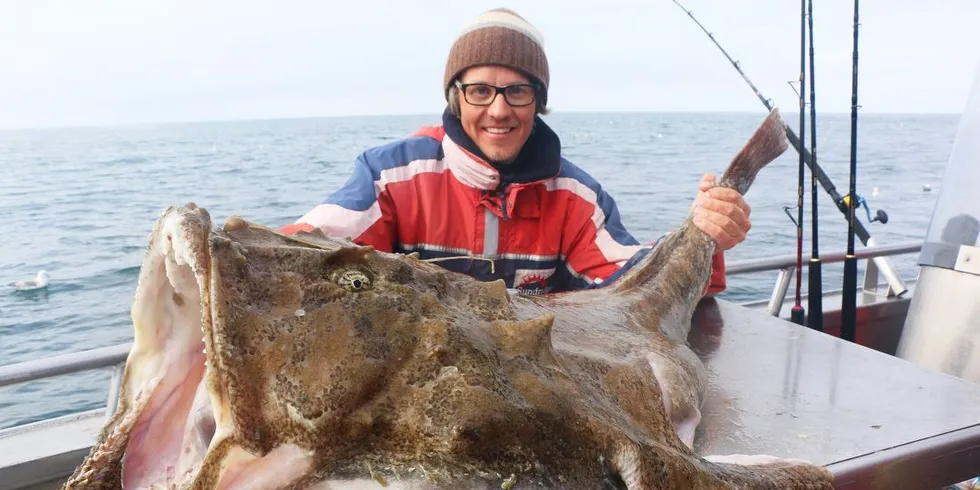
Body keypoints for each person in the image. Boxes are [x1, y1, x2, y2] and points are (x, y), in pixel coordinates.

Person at [281, 7, 752, 296]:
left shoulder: (576, 198)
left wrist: (702, 234)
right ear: (455, 96)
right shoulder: (390, 178)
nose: (499, 110)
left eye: (518, 91)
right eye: (480, 91)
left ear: (539, 101)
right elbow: (309, 250)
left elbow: (631, 282)